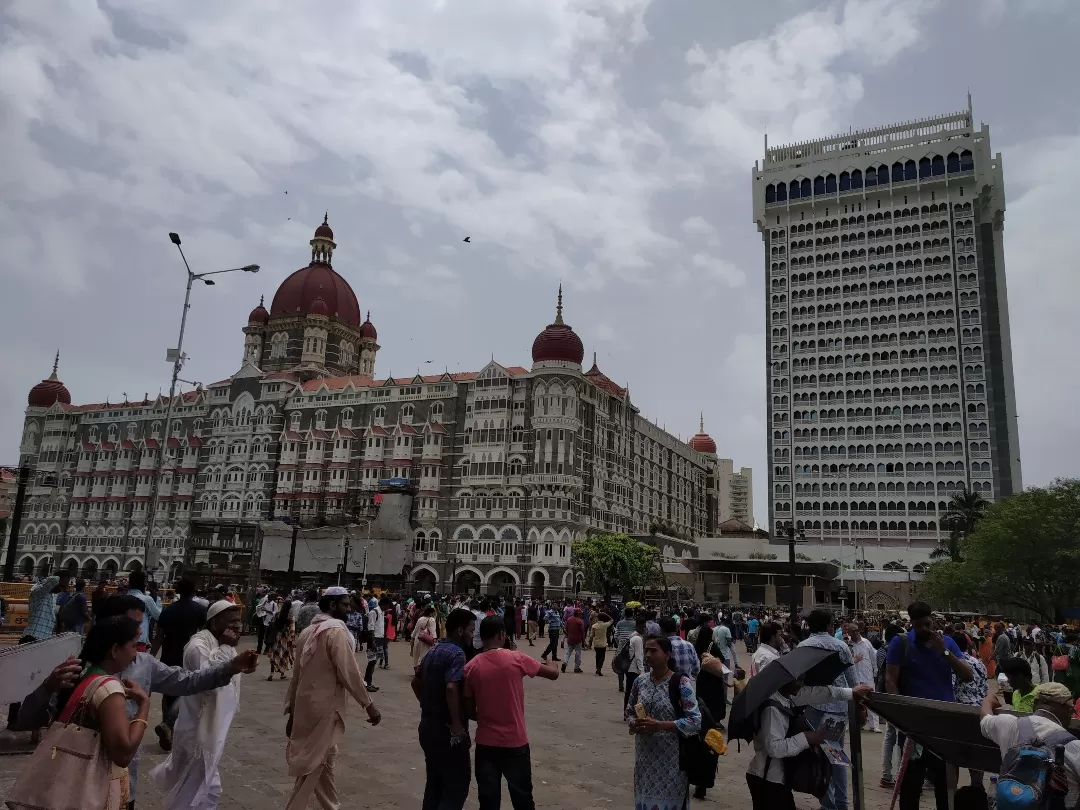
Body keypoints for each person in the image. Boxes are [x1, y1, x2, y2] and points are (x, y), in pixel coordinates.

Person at [13, 593, 258, 810]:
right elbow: (28, 719)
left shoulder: (143, 664)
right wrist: (47, 688)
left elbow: (187, 682)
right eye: (134, 630)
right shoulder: (75, 669)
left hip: (121, 784)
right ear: (112, 635)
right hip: (71, 784)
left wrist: (230, 667)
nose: (142, 640)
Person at [20, 616, 152, 809]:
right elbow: (123, 754)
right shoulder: (109, 688)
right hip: (89, 796)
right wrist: (145, 704)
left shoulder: (83, 677)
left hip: (63, 790)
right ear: (115, 650)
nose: (137, 653)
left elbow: (25, 718)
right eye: (134, 646)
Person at [285, 586, 381, 810]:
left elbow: (295, 676)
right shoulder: (335, 631)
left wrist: (292, 708)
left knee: (324, 758)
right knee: (318, 761)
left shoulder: (307, 632)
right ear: (331, 605)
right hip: (325, 706)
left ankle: (329, 806)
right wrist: (368, 704)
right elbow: (349, 672)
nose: (349, 609)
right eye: (345, 604)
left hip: (306, 705)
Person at [149, 601, 251, 810]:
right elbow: (211, 685)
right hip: (196, 730)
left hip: (208, 728)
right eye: (232, 621)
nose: (238, 625)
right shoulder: (198, 646)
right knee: (198, 789)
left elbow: (231, 673)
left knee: (205, 787)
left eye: (239, 620)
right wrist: (225, 647)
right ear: (215, 622)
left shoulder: (218, 643)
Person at [465, 615, 559, 810]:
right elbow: (552, 675)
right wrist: (552, 663)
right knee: (523, 799)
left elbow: (468, 708)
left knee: (488, 802)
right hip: (515, 741)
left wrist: (484, 716)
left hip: (486, 742)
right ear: (502, 635)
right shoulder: (516, 658)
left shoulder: (471, 666)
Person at [885, 601, 973, 810]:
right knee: (911, 783)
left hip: (944, 722)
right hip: (914, 724)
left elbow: (967, 675)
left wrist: (943, 651)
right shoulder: (901, 643)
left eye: (928, 624)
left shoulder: (947, 642)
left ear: (933, 621)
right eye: (920, 626)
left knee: (945, 781)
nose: (925, 629)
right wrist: (901, 716)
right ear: (912, 624)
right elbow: (890, 680)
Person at [746, 674, 873, 810]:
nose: (801, 685)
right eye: (797, 680)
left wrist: (851, 693)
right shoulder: (772, 709)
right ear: (783, 680)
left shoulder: (789, 695)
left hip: (777, 778)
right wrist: (807, 737)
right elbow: (774, 748)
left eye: (802, 680)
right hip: (766, 779)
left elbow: (818, 693)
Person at [625, 635, 703, 810]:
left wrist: (660, 725)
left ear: (668, 654)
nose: (648, 655)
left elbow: (695, 720)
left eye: (654, 651)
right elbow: (629, 711)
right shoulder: (640, 681)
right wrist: (634, 724)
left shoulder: (681, 682)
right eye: (646, 650)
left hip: (672, 762)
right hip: (645, 760)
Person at [412, 608, 476, 810]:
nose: (472, 635)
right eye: (471, 630)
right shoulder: (457, 654)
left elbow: (415, 682)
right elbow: (451, 687)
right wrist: (457, 727)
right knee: (456, 787)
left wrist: (426, 703)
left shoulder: (434, 650)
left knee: (434, 785)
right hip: (446, 731)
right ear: (460, 630)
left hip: (428, 726)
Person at [979, 681, 1080, 806]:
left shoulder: (1008, 724)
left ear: (1035, 703)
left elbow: (984, 719)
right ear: (1068, 710)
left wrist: (988, 700)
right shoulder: (1075, 747)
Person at [797, 609, 856, 810]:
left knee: (819, 755)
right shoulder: (841, 647)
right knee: (836, 755)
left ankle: (828, 803)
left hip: (814, 705)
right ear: (830, 625)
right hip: (837, 707)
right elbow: (853, 682)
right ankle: (841, 802)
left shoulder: (803, 646)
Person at [6, 570, 71, 729]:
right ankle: (13, 720)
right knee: (22, 680)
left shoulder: (53, 596)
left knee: (39, 681)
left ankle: (31, 718)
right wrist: (60, 579)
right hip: (32, 638)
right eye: (63, 583)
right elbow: (51, 581)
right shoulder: (38, 591)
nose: (64, 588)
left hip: (45, 641)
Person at [151, 578, 207, 751]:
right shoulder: (200, 610)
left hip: (169, 655)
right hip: (191, 655)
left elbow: (159, 636)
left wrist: (151, 657)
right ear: (193, 591)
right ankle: (171, 725)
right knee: (187, 691)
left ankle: (166, 722)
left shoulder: (168, 611)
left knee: (169, 692)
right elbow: (205, 634)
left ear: (178, 590)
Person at [951, 632, 988, 790]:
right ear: (967, 646)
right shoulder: (979, 663)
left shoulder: (953, 664)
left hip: (960, 714)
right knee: (976, 755)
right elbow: (985, 688)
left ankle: (951, 791)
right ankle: (978, 788)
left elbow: (951, 688)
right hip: (979, 713)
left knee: (953, 756)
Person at [848, 621, 879, 732]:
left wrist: (875, 670)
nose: (855, 633)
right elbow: (846, 661)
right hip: (854, 676)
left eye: (856, 631)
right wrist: (854, 660)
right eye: (851, 632)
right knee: (852, 700)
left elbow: (873, 657)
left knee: (870, 698)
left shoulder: (866, 643)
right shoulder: (848, 644)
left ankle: (874, 725)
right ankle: (852, 723)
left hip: (867, 675)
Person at [125, 571, 161, 649]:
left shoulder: (122, 598)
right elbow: (159, 616)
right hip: (139, 641)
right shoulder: (146, 599)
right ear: (144, 584)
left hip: (123, 641)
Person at [266, 596, 295, 681]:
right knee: (284, 655)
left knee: (274, 654)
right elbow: (292, 628)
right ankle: (282, 674)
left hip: (276, 637)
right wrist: (292, 639)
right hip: (285, 637)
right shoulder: (290, 615)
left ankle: (271, 674)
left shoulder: (277, 614)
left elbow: (273, 625)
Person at [624, 616, 647, 711]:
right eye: (643, 626)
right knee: (633, 693)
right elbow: (639, 656)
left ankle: (627, 711)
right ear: (638, 626)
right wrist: (642, 672)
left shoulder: (632, 635)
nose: (644, 629)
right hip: (634, 669)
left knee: (629, 691)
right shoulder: (637, 639)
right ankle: (629, 711)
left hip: (630, 668)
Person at [614, 608, 637, 692]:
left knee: (620, 667)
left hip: (620, 648)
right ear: (632, 614)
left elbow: (616, 635)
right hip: (631, 648)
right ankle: (629, 686)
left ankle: (621, 685)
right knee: (630, 667)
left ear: (624, 614)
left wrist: (619, 643)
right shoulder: (635, 624)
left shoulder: (619, 623)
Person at [586, 612, 612, 676]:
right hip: (603, 643)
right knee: (602, 657)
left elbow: (591, 636)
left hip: (596, 643)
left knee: (597, 656)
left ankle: (597, 668)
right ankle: (599, 669)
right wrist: (606, 614)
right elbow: (611, 620)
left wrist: (589, 644)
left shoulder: (594, 626)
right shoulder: (605, 625)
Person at [561, 608, 586, 673]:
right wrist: (584, 640)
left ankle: (565, 663)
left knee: (568, 652)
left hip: (570, 639)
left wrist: (568, 635)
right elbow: (582, 631)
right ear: (578, 614)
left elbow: (566, 629)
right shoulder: (580, 621)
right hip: (578, 640)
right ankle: (576, 667)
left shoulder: (569, 620)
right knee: (578, 654)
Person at [254, 591, 277, 655]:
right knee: (260, 636)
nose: (268, 597)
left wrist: (267, 611)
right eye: (268, 595)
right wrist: (261, 613)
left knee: (267, 637)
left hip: (269, 621)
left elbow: (275, 613)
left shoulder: (274, 604)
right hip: (263, 620)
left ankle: (266, 650)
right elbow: (259, 608)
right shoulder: (264, 602)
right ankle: (259, 650)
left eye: (270, 596)